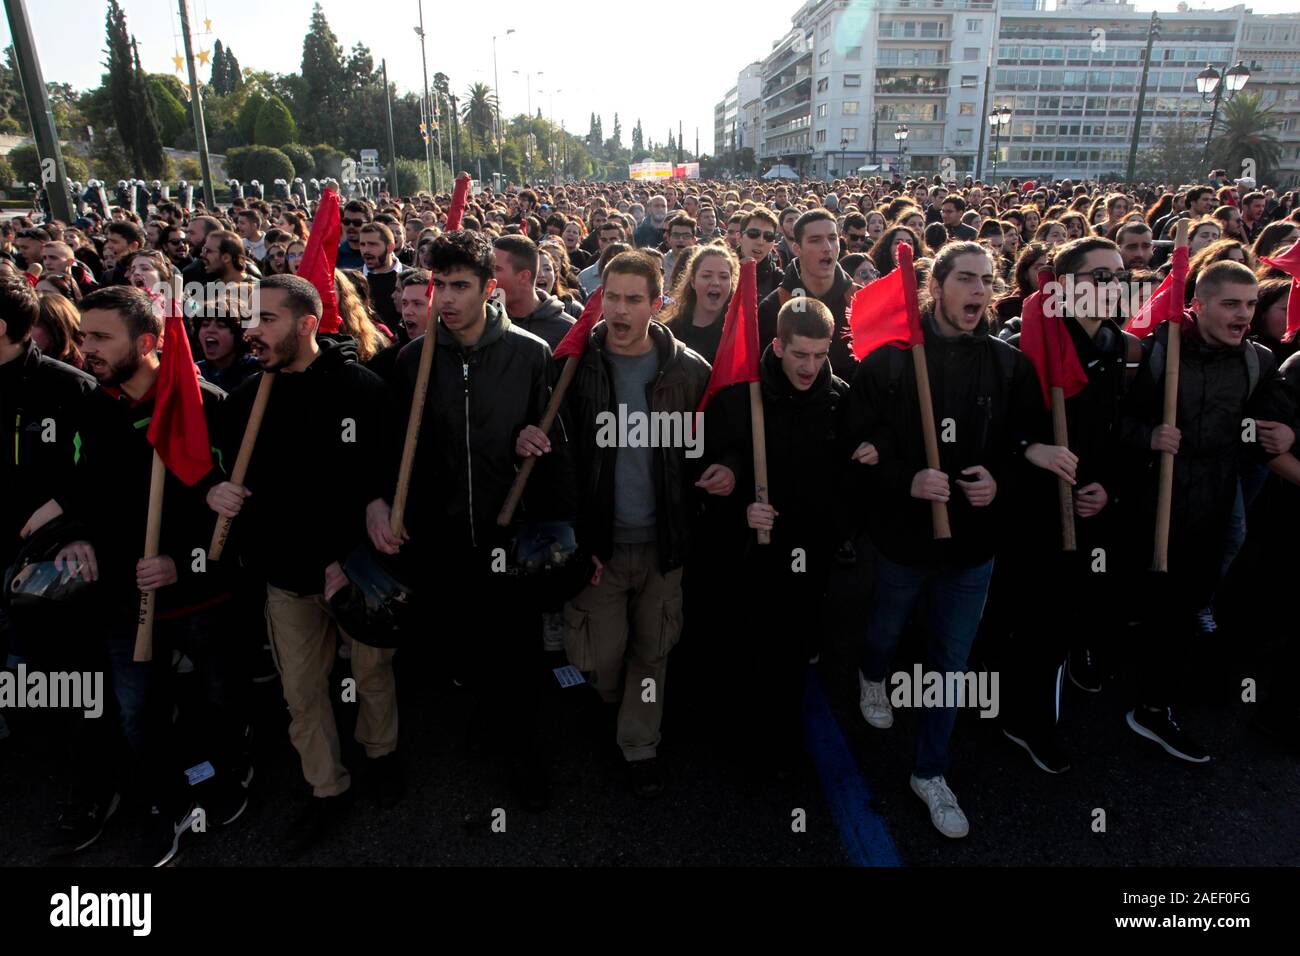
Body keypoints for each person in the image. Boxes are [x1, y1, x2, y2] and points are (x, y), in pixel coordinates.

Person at [849, 242, 1066, 839]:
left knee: (950, 662)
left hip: (972, 548)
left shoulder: (1007, 365)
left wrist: (1002, 476)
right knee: (886, 631)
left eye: (987, 280)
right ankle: (872, 672)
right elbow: (857, 446)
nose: (978, 291)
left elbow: (1025, 442)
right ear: (936, 286)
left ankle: (931, 772)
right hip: (902, 540)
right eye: (965, 278)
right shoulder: (892, 362)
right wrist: (906, 478)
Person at [372, 230, 574, 810]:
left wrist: (543, 471)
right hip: (442, 537)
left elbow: (554, 446)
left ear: (491, 289)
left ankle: (525, 757)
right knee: (466, 645)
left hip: (507, 532)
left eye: (461, 286)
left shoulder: (531, 354)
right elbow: (392, 449)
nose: (447, 298)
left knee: (517, 651)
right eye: (438, 285)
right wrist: (385, 504)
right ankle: (485, 720)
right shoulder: (413, 360)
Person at [205, 274, 401, 852]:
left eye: (266, 320)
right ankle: (325, 788)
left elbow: (385, 482)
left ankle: (381, 755)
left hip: (358, 573)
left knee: (371, 674)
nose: (251, 331)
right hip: (286, 578)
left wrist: (351, 554)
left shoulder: (363, 391)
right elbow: (222, 476)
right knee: (303, 693)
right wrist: (212, 491)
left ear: (308, 324)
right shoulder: (245, 400)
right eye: (251, 319)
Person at [55, 285, 243, 865]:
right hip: (121, 595)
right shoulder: (90, 406)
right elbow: (77, 493)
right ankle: (164, 801)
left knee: (217, 696)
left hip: (198, 595)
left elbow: (230, 512)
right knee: (139, 708)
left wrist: (181, 560)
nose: (86, 348)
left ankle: (222, 776)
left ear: (146, 342)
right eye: (84, 335)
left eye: (100, 337)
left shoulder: (204, 404)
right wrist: (78, 536)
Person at [556, 250, 722, 798]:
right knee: (599, 659)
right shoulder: (574, 368)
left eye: (633, 299)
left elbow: (718, 446)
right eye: (611, 297)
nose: (620, 311)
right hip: (599, 548)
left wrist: (729, 469)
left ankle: (640, 743)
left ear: (657, 304)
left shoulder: (689, 372)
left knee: (652, 653)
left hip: (662, 546)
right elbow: (560, 460)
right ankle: (611, 700)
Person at [1119, 260, 1294, 762]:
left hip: (1211, 507)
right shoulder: (1157, 352)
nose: (1244, 314)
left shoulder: (1256, 361)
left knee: (1183, 606)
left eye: (1251, 304)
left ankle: (1154, 706)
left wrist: (1284, 435)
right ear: (1198, 304)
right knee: (1130, 601)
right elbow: (1111, 425)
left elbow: (1266, 427)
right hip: (1143, 506)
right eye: (1231, 304)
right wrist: (1146, 436)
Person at [998, 236, 1142, 772]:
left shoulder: (1116, 346)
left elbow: (1114, 433)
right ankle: (1025, 719)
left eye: (1119, 276)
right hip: (1027, 506)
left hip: (1087, 507)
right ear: (1061, 287)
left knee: (1068, 611)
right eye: (1098, 277)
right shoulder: (1021, 343)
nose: (1113, 286)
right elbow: (988, 427)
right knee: (1032, 616)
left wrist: (1106, 484)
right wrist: (1028, 449)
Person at [707, 297, 857, 768]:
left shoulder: (839, 399)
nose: (810, 366)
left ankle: (782, 742)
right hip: (751, 552)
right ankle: (739, 735)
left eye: (819, 354)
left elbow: (847, 481)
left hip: (809, 553)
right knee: (747, 645)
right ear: (777, 345)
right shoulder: (741, 396)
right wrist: (738, 501)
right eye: (799, 355)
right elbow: (716, 460)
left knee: (794, 651)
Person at [758, 209, 861, 379]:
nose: (827, 248)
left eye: (832, 238)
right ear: (797, 248)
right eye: (815, 240)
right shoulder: (773, 307)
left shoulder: (860, 300)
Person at [659, 244, 738, 364]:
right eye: (706, 276)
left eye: (723, 277)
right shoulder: (670, 332)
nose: (716, 282)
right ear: (692, 281)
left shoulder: (738, 332)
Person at [357, 223, 404, 331]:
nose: (366, 250)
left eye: (372, 244)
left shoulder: (410, 277)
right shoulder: (351, 280)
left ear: (390, 247)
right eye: (362, 244)